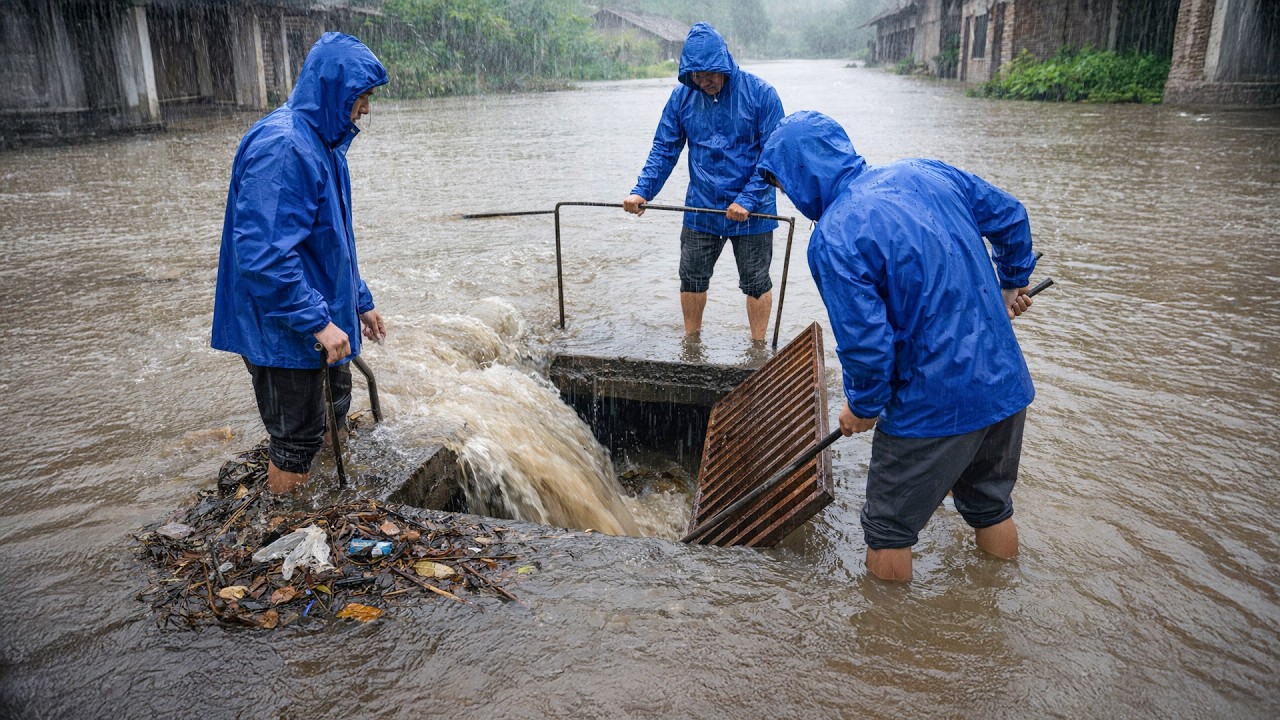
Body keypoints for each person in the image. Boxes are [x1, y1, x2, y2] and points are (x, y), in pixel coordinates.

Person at [756, 111, 1039, 582]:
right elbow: (1011, 216)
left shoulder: (833, 236)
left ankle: (888, 648)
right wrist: (1012, 282)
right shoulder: (926, 171)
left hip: (934, 404)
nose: (787, 194)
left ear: (802, 175)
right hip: (1004, 386)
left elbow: (866, 346)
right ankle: (998, 610)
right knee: (991, 507)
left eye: (784, 183)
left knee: (888, 530)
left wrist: (863, 407)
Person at [211, 32, 388, 495]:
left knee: (335, 405)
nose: (366, 107)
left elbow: (331, 244)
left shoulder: (325, 146)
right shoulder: (284, 146)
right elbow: (265, 256)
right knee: (295, 437)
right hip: (285, 329)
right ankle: (289, 520)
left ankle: (330, 498)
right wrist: (316, 322)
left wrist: (361, 301)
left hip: (319, 318)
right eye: (362, 96)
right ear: (334, 90)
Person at [623, 22, 784, 342]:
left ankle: (758, 348)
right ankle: (691, 343)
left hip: (752, 209)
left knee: (755, 281)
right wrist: (642, 191)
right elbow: (664, 150)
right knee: (692, 278)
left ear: (724, 64)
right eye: (695, 75)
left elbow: (774, 157)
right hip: (702, 205)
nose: (703, 81)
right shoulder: (682, 98)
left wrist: (748, 200)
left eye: (709, 74)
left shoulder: (761, 94)